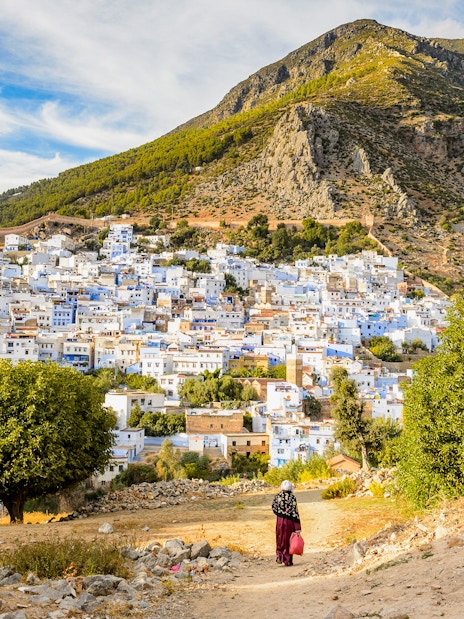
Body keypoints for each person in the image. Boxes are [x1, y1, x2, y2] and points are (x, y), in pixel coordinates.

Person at [271, 480, 301, 566]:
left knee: (279, 538)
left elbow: (274, 507)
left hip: (280, 521)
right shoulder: (292, 498)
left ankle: (279, 556)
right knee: (288, 540)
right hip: (290, 522)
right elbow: (295, 512)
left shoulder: (277, 497)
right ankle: (287, 560)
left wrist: (280, 513)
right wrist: (297, 527)